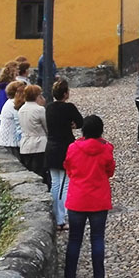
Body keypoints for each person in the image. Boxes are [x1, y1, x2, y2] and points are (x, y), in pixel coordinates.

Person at [63, 114, 115, 278]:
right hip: (98, 199)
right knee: (97, 238)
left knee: (74, 240)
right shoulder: (106, 149)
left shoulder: (73, 148)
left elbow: (68, 168)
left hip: (77, 198)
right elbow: (110, 171)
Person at [45, 78, 85, 230]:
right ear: (65, 93)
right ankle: (62, 218)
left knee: (55, 183)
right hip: (65, 148)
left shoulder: (49, 108)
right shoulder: (69, 108)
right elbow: (80, 122)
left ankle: (57, 215)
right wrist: (72, 124)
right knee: (66, 183)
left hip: (51, 147)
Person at [17, 84, 50, 188]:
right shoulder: (39, 109)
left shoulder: (21, 109)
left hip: (25, 144)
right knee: (41, 173)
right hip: (39, 144)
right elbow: (47, 127)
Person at [0, 80, 25, 157]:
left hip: (9, 142)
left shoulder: (10, 102)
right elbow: (20, 122)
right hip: (10, 143)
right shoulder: (13, 104)